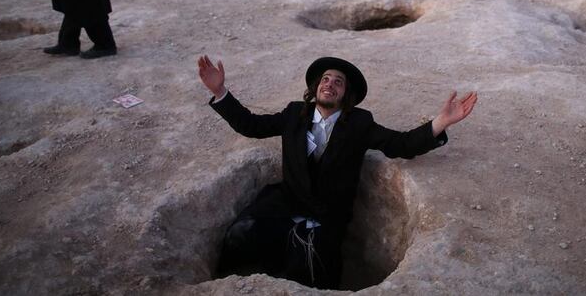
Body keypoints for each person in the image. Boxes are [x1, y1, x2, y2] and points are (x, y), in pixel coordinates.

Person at [197, 55, 477, 289]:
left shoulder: (359, 123)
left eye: (338, 82)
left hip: (326, 217)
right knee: (240, 235)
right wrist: (220, 93)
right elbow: (251, 125)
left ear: (346, 95)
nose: (329, 84)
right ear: (316, 87)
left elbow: (400, 144)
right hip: (284, 204)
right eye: (326, 79)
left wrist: (441, 122)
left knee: (308, 268)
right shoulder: (295, 114)